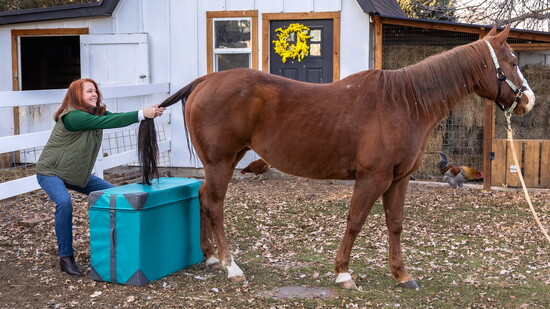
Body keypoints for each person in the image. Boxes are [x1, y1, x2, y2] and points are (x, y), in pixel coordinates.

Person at [35, 78, 165, 276]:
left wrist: (148, 113)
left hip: (77, 173)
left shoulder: (94, 113)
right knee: (64, 202)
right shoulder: (73, 116)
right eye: (88, 91)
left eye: (95, 91)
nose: (94, 94)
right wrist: (141, 114)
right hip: (50, 171)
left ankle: (119, 247)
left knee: (115, 195)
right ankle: (66, 257)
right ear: (77, 95)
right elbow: (108, 122)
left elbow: (116, 117)